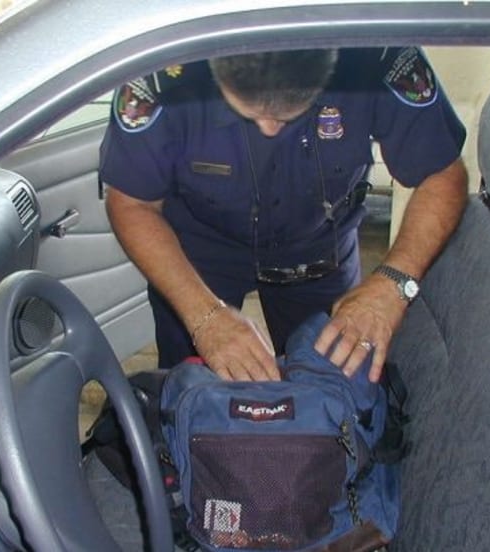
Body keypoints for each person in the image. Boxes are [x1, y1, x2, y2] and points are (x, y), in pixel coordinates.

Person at [99, 47, 467, 383]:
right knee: (187, 389)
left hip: (319, 249)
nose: (270, 129)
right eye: (251, 113)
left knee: (335, 382)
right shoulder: (165, 65)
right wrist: (203, 316)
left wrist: (393, 283)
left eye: (290, 113)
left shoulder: (378, 52)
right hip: (200, 252)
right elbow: (132, 203)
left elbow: (443, 175)